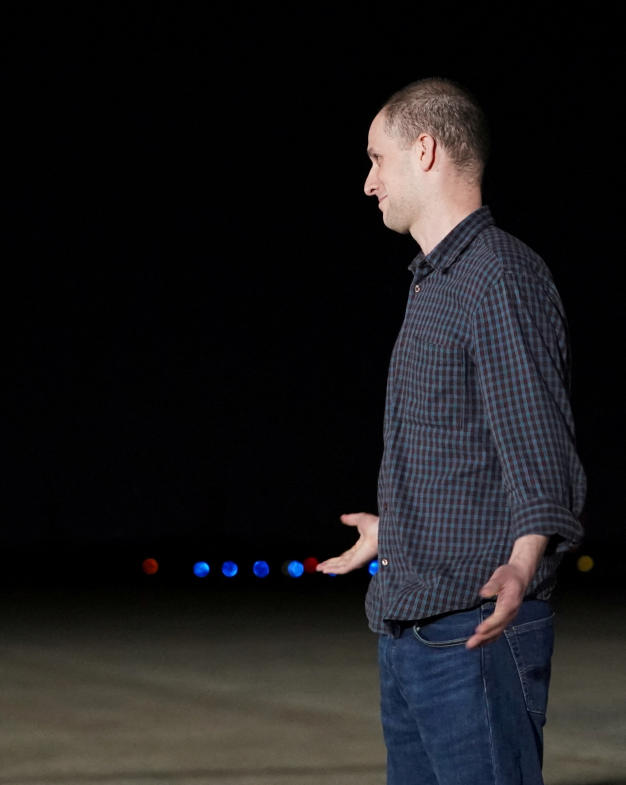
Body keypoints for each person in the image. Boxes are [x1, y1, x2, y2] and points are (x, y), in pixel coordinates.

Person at [318, 78, 585, 784]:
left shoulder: (498, 274)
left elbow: (539, 448)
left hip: (472, 632)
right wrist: (396, 528)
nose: (368, 182)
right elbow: (467, 454)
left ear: (425, 149)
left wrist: (524, 562)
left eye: (377, 159)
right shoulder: (434, 282)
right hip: (411, 633)